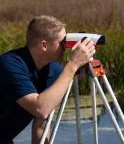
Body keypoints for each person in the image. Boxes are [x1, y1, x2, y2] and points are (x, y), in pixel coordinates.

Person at [0, 15, 95, 144]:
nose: (65, 47)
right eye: (62, 43)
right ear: (44, 45)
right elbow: (40, 109)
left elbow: (41, 125)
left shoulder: (54, 70)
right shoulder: (10, 64)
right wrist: (72, 65)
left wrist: (78, 66)